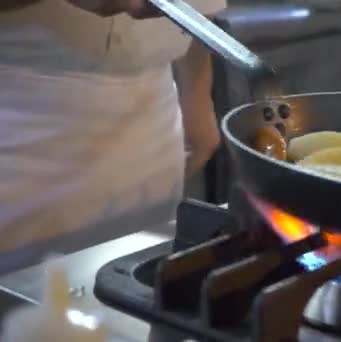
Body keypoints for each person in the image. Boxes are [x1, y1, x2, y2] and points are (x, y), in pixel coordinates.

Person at [0, 0, 226, 274]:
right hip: (22, 118)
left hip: (154, 123)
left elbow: (199, 7)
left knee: (131, 288)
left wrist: (196, 95)